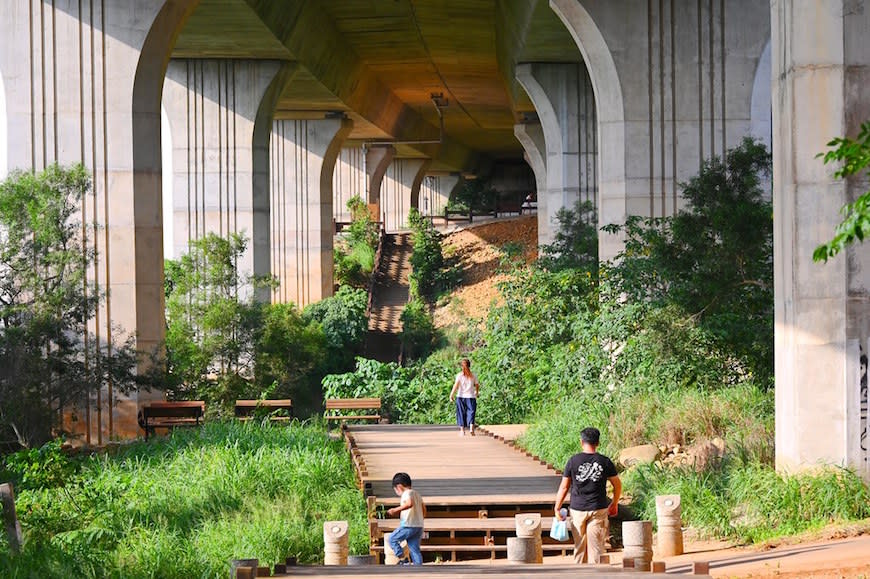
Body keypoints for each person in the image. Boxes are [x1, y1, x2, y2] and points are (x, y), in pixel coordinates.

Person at [553, 427, 621, 564]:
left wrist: (557, 507)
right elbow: (617, 484)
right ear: (598, 443)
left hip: (577, 509)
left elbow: (564, 486)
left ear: (581, 442)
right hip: (598, 509)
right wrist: (614, 502)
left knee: (579, 547)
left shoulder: (573, 461)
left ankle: (579, 573)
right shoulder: (605, 461)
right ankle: (596, 573)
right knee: (596, 547)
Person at [387, 472, 426, 565]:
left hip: (408, 525)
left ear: (399, 487)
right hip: (418, 526)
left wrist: (395, 510)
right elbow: (424, 508)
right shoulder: (417, 494)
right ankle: (419, 568)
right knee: (414, 549)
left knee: (392, 539)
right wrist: (420, 518)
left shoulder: (406, 493)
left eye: (396, 490)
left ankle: (403, 558)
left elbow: (409, 504)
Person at [449, 358, 480, 436]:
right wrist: (476, 392)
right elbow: (477, 385)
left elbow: (456, 386)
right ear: (469, 365)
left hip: (461, 396)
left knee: (461, 413)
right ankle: (471, 428)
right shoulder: (473, 375)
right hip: (471, 397)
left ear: (461, 366)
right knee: (471, 412)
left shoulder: (459, 375)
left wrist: (451, 394)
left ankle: (462, 430)